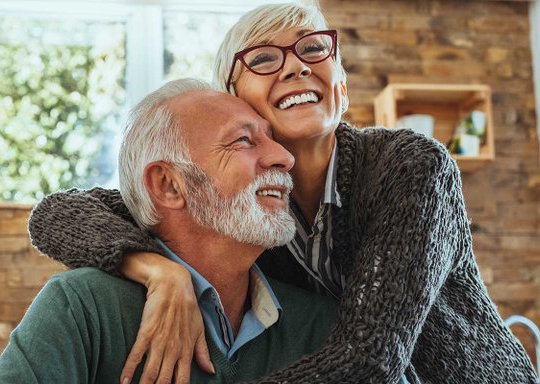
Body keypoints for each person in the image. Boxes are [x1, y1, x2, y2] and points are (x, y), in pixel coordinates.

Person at [28, 3, 538, 384]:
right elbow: (59, 213)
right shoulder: (242, 202)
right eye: (266, 58)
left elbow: (369, 362)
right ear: (231, 97)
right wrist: (155, 268)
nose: (297, 67)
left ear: (340, 81)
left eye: (314, 48)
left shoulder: (412, 168)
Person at [0, 79, 350, 383]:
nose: (284, 158)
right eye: (243, 140)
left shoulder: (323, 325)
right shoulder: (84, 308)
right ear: (168, 185)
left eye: (272, 138)